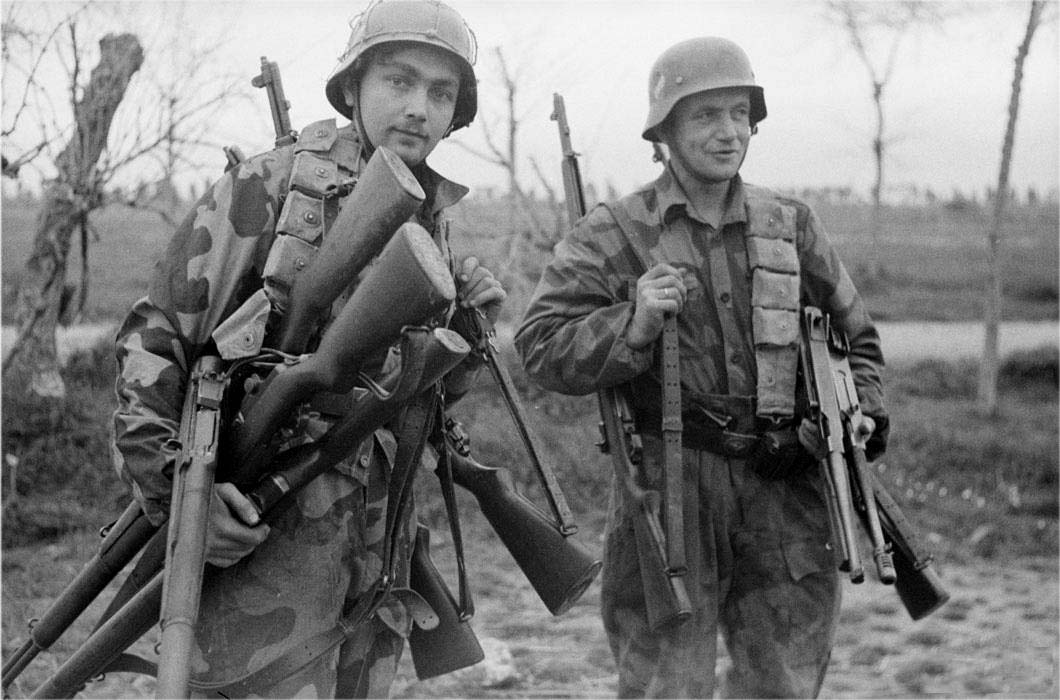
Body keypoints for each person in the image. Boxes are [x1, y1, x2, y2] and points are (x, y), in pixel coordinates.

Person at [110, 1, 505, 696]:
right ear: (352, 86)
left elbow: (412, 395)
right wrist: (181, 498)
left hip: (376, 567)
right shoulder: (267, 187)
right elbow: (155, 346)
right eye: (399, 82)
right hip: (264, 565)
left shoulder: (432, 219)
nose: (419, 107)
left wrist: (466, 343)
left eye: (441, 93)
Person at [515, 37, 889, 698]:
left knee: (784, 681)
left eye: (739, 114)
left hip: (786, 485)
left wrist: (860, 412)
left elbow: (856, 338)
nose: (728, 132)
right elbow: (540, 346)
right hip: (669, 488)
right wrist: (629, 323)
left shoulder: (792, 226)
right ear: (664, 132)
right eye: (705, 116)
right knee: (665, 683)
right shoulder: (613, 234)